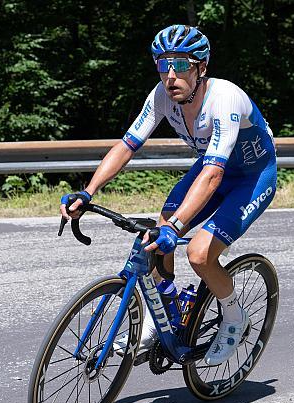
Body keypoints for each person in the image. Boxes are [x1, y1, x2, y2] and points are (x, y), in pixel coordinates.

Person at [60, 25, 277, 365]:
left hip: (251, 177)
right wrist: (88, 192)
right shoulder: (161, 96)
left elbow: (214, 174)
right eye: (163, 65)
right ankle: (163, 313)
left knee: (198, 253)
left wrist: (176, 229)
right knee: (156, 232)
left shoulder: (225, 98)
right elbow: (127, 145)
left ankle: (235, 317)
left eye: (181, 65)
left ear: (201, 67)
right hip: (211, 168)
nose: (171, 75)